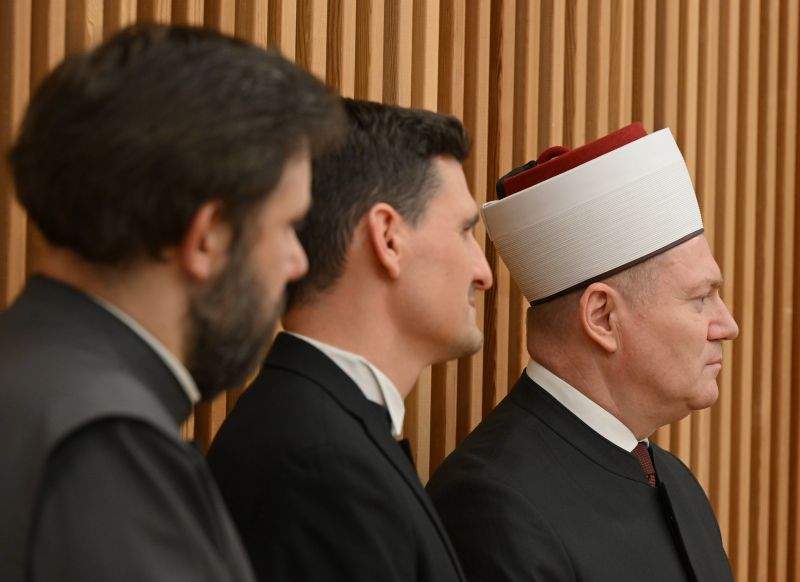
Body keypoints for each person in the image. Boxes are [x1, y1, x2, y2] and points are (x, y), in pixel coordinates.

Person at [0, 23, 342, 582]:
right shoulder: (107, 446)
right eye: (288, 226)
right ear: (208, 236)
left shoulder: (28, 377)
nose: (297, 261)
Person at [426, 123, 739, 582]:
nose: (728, 326)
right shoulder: (492, 505)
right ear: (602, 317)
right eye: (700, 298)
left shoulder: (675, 482)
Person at [207, 98, 492, 582]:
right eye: (465, 231)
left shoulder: (323, 429)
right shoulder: (318, 465)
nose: (484, 273)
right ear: (389, 238)